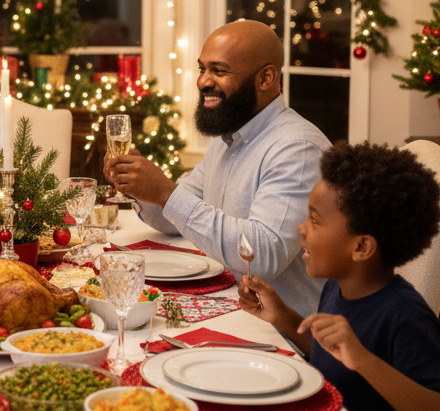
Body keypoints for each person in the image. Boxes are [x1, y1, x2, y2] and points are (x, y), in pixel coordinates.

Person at [239, 142, 440, 411]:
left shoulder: (404, 317)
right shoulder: (337, 287)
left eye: (314, 220)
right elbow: (334, 357)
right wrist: (281, 316)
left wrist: (365, 361)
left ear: (361, 247)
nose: (301, 228)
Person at [105, 19, 328, 314]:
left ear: (266, 78)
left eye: (219, 71)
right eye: (202, 69)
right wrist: (139, 186)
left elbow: (261, 258)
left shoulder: (297, 148)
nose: (203, 82)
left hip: (280, 327)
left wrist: (165, 193)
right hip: (224, 303)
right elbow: (173, 220)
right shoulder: (227, 138)